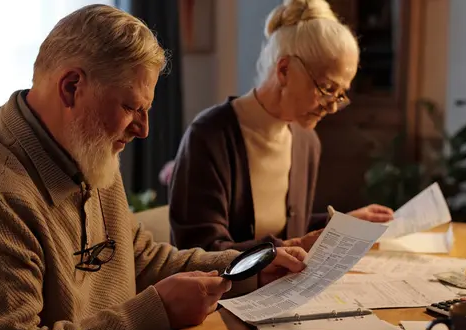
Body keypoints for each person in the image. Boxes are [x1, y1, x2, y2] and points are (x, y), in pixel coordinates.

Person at [0, 5, 307, 330]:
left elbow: (140, 261)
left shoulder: (87, 150)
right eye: (132, 107)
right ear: (71, 88)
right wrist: (157, 311)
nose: (144, 129)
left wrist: (250, 270)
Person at [168, 0, 394, 253]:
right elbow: (199, 253)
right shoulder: (209, 136)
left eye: (340, 95)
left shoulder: (306, 142)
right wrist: (291, 246)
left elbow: (283, 228)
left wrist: (339, 224)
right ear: (284, 70)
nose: (331, 107)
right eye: (327, 89)